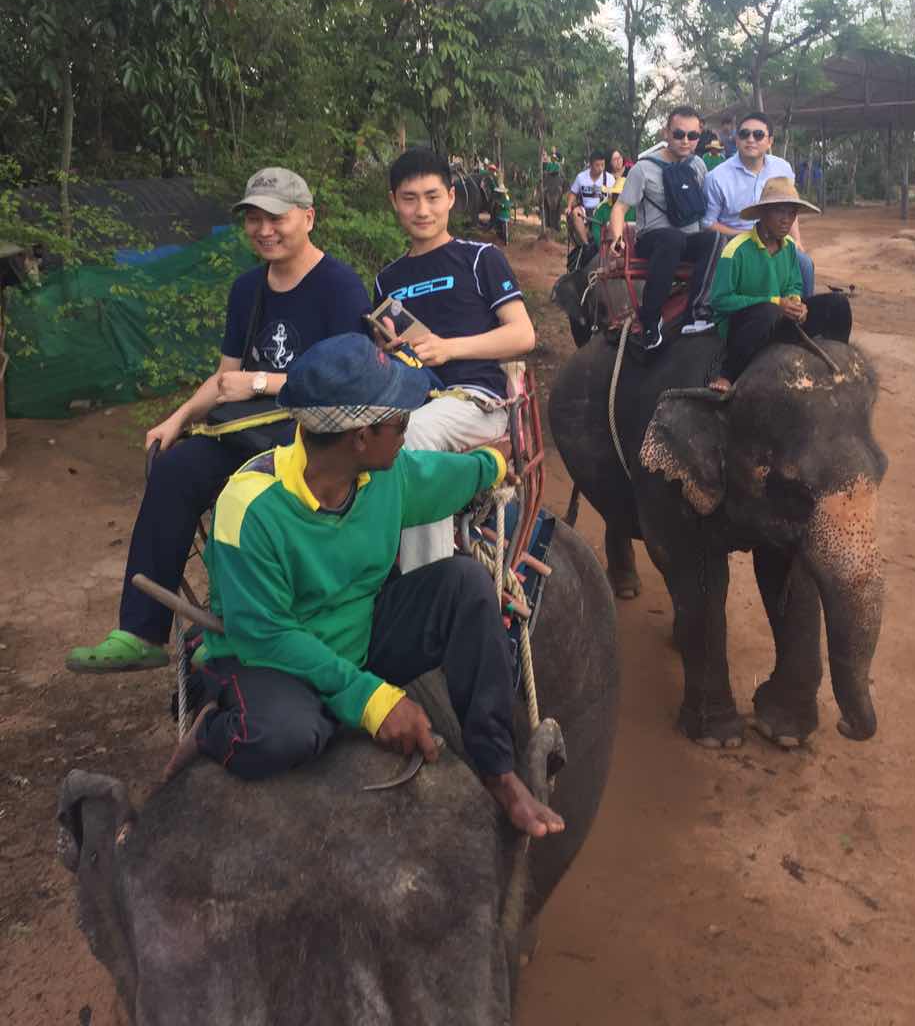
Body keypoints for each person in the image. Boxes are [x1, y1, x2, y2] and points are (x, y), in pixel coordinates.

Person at [162, 336, 564, 837]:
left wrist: (496, 464)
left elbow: (443, 476)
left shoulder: (384, 476)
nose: (407, 430)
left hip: (360, 634)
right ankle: (213, 730)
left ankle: (498, 770)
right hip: (269, 656)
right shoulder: (249, 508)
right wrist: (373, 702)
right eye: (400, 422)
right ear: (359, 437)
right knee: (288, 734)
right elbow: (267, 635)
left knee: (464, 583)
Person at [66, 168, 371, 674]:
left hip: (312, 435)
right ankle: (141, 630)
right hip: (247, 428)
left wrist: (262, 382)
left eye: (276, 218)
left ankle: (238, 626)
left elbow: (352, 378)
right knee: (175, 468)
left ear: (308, 217)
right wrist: (178, 418)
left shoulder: (339, 287)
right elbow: (226, 377)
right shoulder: (248, 289)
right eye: (254, 219)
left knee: (246, 492)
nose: (264, 230)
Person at [374, 148, 535, 573]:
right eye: (410, 198)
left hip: (475, 401)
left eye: (432, 196)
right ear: (394, 202)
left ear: (450, 198)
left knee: (413, 434)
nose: (422, 210)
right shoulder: (387, 280)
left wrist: (449, 348)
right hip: (408, 396)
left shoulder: (480, 259)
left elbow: (523, 334)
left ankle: (430, 581)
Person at [708, 178, 851, 390]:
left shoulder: (789, 246)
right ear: (763, 213)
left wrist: (796, 303)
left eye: (792, 213)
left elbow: (794, 284)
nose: (786, 220)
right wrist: (775, 302)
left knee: (838, 304)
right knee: (767, 311)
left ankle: (840, 362)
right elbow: (720, 301)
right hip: (745, 326)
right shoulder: (735, 250)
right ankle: (728, 375)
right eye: (779, 212)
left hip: (779, 320)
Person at [608, 106, 720, 351]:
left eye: (692, 136)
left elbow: (706, 208)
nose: (685, 141)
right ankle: (650, 320)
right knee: (672, 238)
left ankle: (697, 311)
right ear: (666, 133)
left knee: (715, 238)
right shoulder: (642, 169)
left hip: (687, 240)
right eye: (679, 134)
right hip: (654, 241)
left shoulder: (698, 165)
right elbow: (620, 208)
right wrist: (617, 238)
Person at [702, 111, 815, 298]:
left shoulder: (783, 168)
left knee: (804, 264)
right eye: (744, 134)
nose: (751, 139)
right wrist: (746, 236)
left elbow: (790, 208)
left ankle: (802, 310)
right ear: (737, 140)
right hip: (736, 242)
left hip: (776, 239)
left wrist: (796, 240)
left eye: (758, 135)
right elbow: (708, 223)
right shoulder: (717, 177)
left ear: (770, 141)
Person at [565, 149, 614, 247]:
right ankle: (586, 244)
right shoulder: (581, 177)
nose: (600, 168)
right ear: (591, 165)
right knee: (575, 213)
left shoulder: (609, 178)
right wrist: (569, 206)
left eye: (602, 165)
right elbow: (573, 193)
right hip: (585, 210)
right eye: (597, 165)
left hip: (602, 210)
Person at [590, 176, 634, 248]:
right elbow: (595, 229)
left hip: (632, 248)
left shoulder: (635, 209)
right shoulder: (602, 208)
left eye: (621, 195)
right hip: (606, 247)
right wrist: (602, 246)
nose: (618, 198)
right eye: (616, 194)